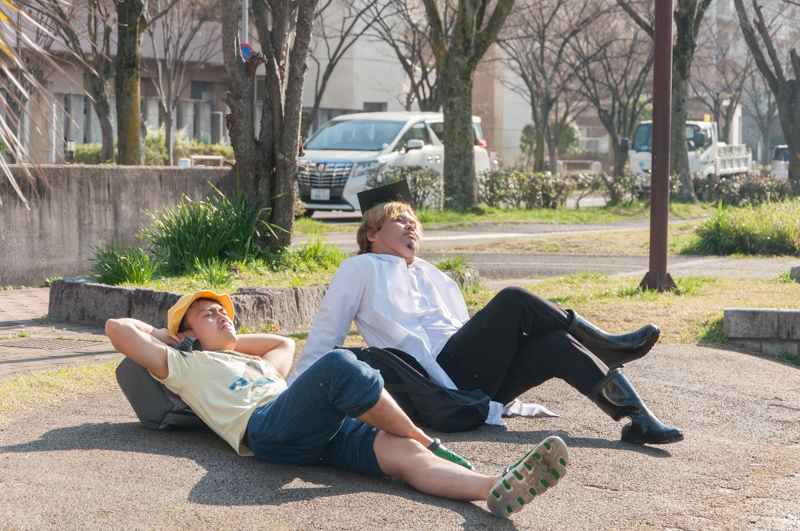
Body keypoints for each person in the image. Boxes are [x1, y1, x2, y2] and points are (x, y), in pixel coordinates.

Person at [105, 291, 570, 519]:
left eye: (224, 310)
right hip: (266, 429)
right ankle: (429, 439)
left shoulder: (258, 363)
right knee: (339, 363)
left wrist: (224, 336)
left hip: (313, 429)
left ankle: (493, 487)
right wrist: (175, 338)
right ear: (185, 333)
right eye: (208, 313)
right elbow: (116, 329)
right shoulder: (183, 365)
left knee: (400, 452)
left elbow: (283, 343)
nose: (223, 314)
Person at [295, 184, 683, 446]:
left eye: (413, 220)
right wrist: (295, 394)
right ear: (371, 234)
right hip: (438, 377)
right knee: (513, 299)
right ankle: (602, 345)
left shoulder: (432, 274)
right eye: (399, 220)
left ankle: (639, 420)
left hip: (476, 385)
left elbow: (465, 330)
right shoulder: (360, 268)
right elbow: (328, 331)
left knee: (554, 343)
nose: (410, 225)